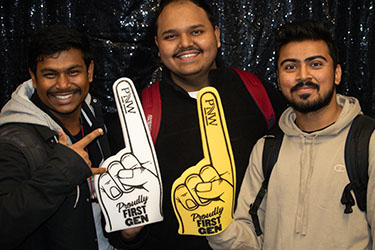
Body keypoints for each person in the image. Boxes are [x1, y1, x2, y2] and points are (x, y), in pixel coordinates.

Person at [108, 0, 286, 249]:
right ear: (158, 47)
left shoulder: (259, 93)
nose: (185, 43)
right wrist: (128, 232)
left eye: (196, 31)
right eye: (171, 36)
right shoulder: (137, 116)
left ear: (217, 35)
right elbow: (125, 229)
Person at [207, 20, 375, 249]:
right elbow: (248, 235)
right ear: (278, 78)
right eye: (290, 67)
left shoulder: (368, 142)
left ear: (337, 74)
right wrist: (213, 223)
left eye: (315, 64)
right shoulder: (267, 148)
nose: (303, 76)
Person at [0, 24, 120, 250]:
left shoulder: (93, 118)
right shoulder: (13, 140)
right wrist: (62, 171)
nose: (63, 84)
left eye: (73, 72)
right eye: (50, 75)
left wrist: (128, 236)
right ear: (34, 78)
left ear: (90, 72)